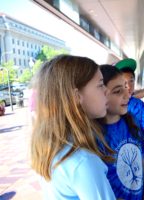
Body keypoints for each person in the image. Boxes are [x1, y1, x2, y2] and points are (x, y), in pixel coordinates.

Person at [30, 55, 116, 200]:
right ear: (76, 97)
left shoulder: (51, 146)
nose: (107, 91)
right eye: (100, 85)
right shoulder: (83, 162)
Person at [99, 65, 144, 200]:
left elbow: (139, 158)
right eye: (118, 91)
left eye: (126, 86)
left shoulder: (132, 121)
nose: (127, 93)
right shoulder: (95, 135)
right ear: (101, 96)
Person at [115, 58, 144, 143]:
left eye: (131, 81)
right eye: (124, 82)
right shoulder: (107, 105)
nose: (129, 86)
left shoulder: (140, 106)